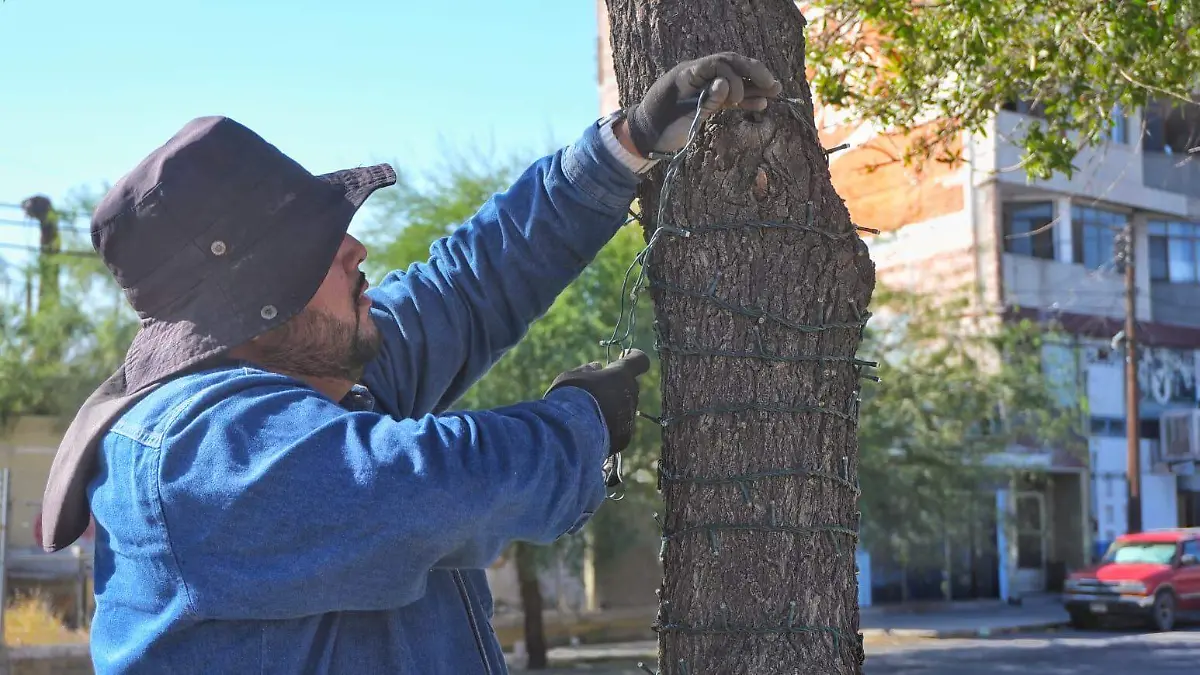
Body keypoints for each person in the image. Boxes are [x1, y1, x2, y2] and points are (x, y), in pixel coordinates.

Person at [39, 53, 781, 674]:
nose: (353, 249)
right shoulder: (194, 455)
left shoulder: (318, 372)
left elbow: (468, 285)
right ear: (251, 305)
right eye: (309, 250)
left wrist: (627, 142)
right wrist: (579, 425)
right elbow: (427, 487)